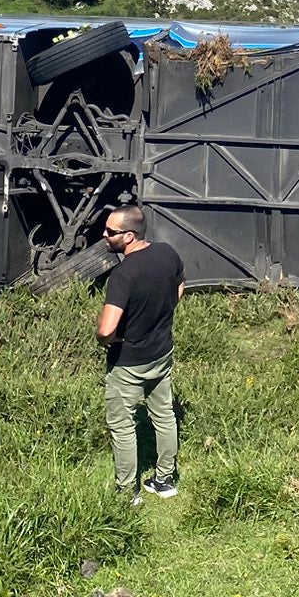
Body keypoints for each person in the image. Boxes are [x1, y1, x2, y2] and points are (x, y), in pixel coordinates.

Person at [95, 206, 184, 503]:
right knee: (164, 415)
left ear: (129, 236)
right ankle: (165, 480)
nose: (104, 235)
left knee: (123, 427)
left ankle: (126, 493)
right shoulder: (167, 253)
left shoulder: (122, 275)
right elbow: (180, 284)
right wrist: (162, 314)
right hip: (161, 352)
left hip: (128, 362)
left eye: (111, 232)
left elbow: (105, 330)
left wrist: (113, 339)